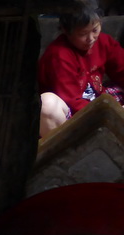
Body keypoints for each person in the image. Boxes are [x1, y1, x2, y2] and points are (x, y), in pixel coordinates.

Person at [37, 1, 124, 137]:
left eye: (95, 30)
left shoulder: (104, 42)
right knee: (47, 104)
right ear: (66, 31)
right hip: (71, 112)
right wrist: (108, 115)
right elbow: (72, 100)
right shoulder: (59, 55)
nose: (90, 39)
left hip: (97, 100)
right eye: (82, 34)